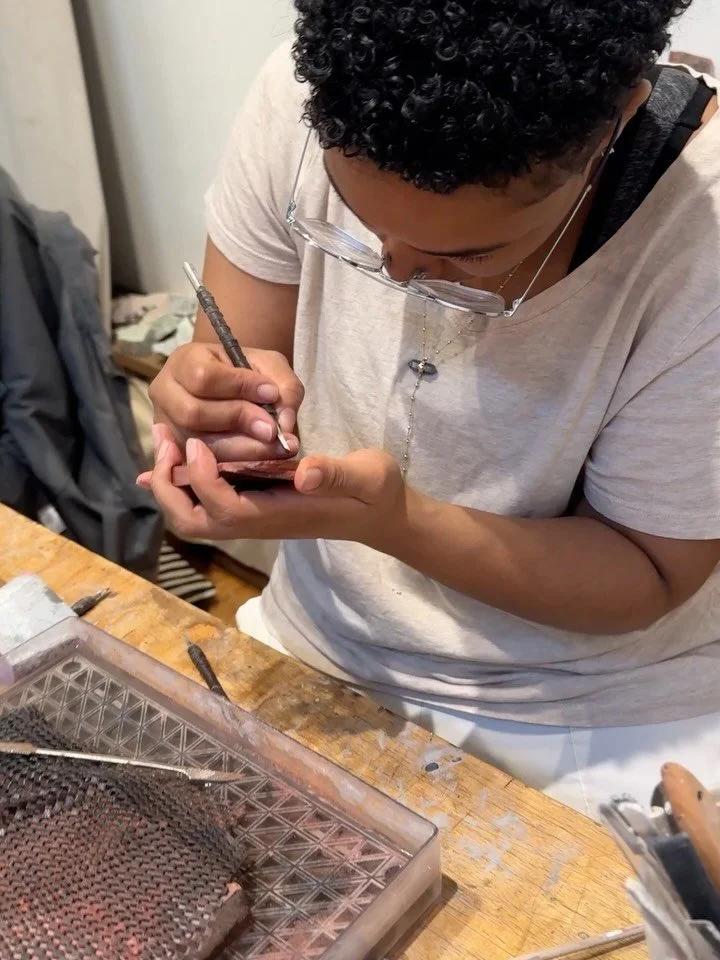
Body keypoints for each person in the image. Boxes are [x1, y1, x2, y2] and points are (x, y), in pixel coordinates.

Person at [144, 0, 720, 818]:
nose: (395, 271)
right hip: (325, 637)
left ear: (615, 123)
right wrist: (211, 403)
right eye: (355, 215)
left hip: (592, 707)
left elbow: (651, 572)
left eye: (470, 254)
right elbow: (234, 351)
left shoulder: (702, 235)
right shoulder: (318, 95)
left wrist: (396, 523)